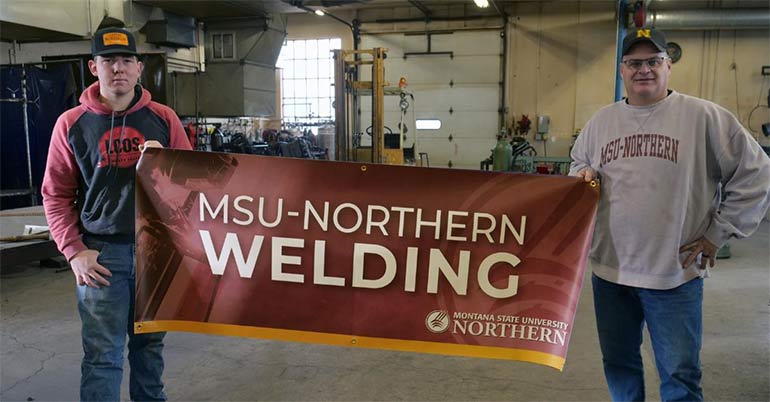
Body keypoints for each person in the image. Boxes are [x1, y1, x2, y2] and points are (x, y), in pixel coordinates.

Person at [570, 28, 770, 401]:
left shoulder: (705, 117)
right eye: (634, 63)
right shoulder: (601, 122)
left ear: (668, 66)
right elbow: (579, 163)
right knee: (618, 363)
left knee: (679, 373)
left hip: (674, 272)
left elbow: (757, 172)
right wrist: (584, 174)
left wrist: (718, 233)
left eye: (653, 61)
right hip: (611, 271)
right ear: (622, 70)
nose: (643, 69)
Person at [42, 27, 192, 401]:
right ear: (94, 67)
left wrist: (168, 165)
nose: (118, 69)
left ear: (139, 68)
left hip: (156, 253)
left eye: (127, 60)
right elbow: (56, 194)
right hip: (101, 256)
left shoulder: (163, 118)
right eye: (109, 61)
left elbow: (193, 186)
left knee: (149, 350)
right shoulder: (71, 124)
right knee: (102, 357)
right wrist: (74, 251)